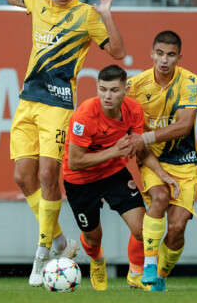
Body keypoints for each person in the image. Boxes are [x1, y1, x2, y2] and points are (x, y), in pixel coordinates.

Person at [0, 0, 126, 287]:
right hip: (28, 100)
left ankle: (43, 252)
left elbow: (118, 52)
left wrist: (106, 15)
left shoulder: (86, 14)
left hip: (58, 106)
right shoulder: (39, 2)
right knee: (22, 177)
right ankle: (61, 241)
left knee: (48, 175)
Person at [62, 64, 179, 291]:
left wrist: (162, 174)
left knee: (141, 228)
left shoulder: (134, 111)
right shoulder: (84, 116)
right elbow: (75, 162)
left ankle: (135, 274)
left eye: (114, 90)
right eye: (103, 89)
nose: (107, 95)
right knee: (94, 238)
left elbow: (141, 148)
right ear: (97, 88)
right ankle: (97, 261)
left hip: (114, 173)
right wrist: (114, 152)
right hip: (80, 181)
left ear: (125, 90)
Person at [125, 30, 197, 292]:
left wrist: (144, 137)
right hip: (152, 160)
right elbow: (130, 135)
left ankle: (161, 275)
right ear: (151, 54)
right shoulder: (134, 87)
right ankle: (148, 265)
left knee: (178, 227)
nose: (164, 60)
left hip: (185, 162)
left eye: (170, 54)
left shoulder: (190, 82)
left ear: (179, 57)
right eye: (159, 53)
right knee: (159, 197)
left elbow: (184, 125)